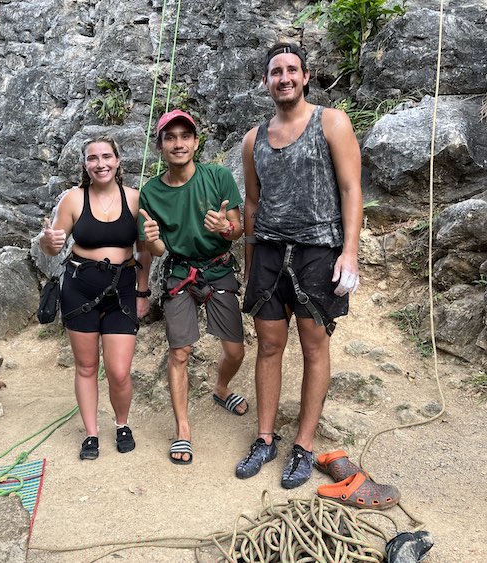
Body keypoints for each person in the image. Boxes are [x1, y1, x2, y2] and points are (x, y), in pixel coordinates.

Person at [235, 42, 363, 488]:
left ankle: (304, 445)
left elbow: (351, 189)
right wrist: (250, 265)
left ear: (306, 76)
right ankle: (265, 438)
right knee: (268, 344)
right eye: (275, 72)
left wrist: (350, 251)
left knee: (314, 346)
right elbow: (252, 205)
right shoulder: (254, 139)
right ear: (266, 81)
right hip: (269, 249)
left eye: (292, 70)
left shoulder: (331, 122)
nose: (284, 78)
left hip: (318, 250)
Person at [139, 109, 246, 465]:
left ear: (197, 143)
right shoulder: (151, 192)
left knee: (235, 351)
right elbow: (156, 249)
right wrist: (153, 241)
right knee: (179, 352)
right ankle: (183, 429)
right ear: (160, 147)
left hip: (217, 270)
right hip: (180, 273)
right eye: (170, 137)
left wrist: (224, 229)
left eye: (185, 136)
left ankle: (221, 388)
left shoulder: (217, 176)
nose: (178, 143)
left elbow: (238, 227)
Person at [39, 135, 152, 461]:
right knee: (86, 366)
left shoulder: (134, 198)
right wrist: (49, 240)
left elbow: (144, 250)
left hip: (122, 289)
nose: (100, 163)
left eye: (106, 156)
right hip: (79, 287)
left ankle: (121, 423)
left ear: (118, 161)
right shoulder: (72, 200)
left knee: (118, 371)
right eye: (93, 158)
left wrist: (142, 291)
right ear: (85, 165)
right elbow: (53, 246)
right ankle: (91, 433)